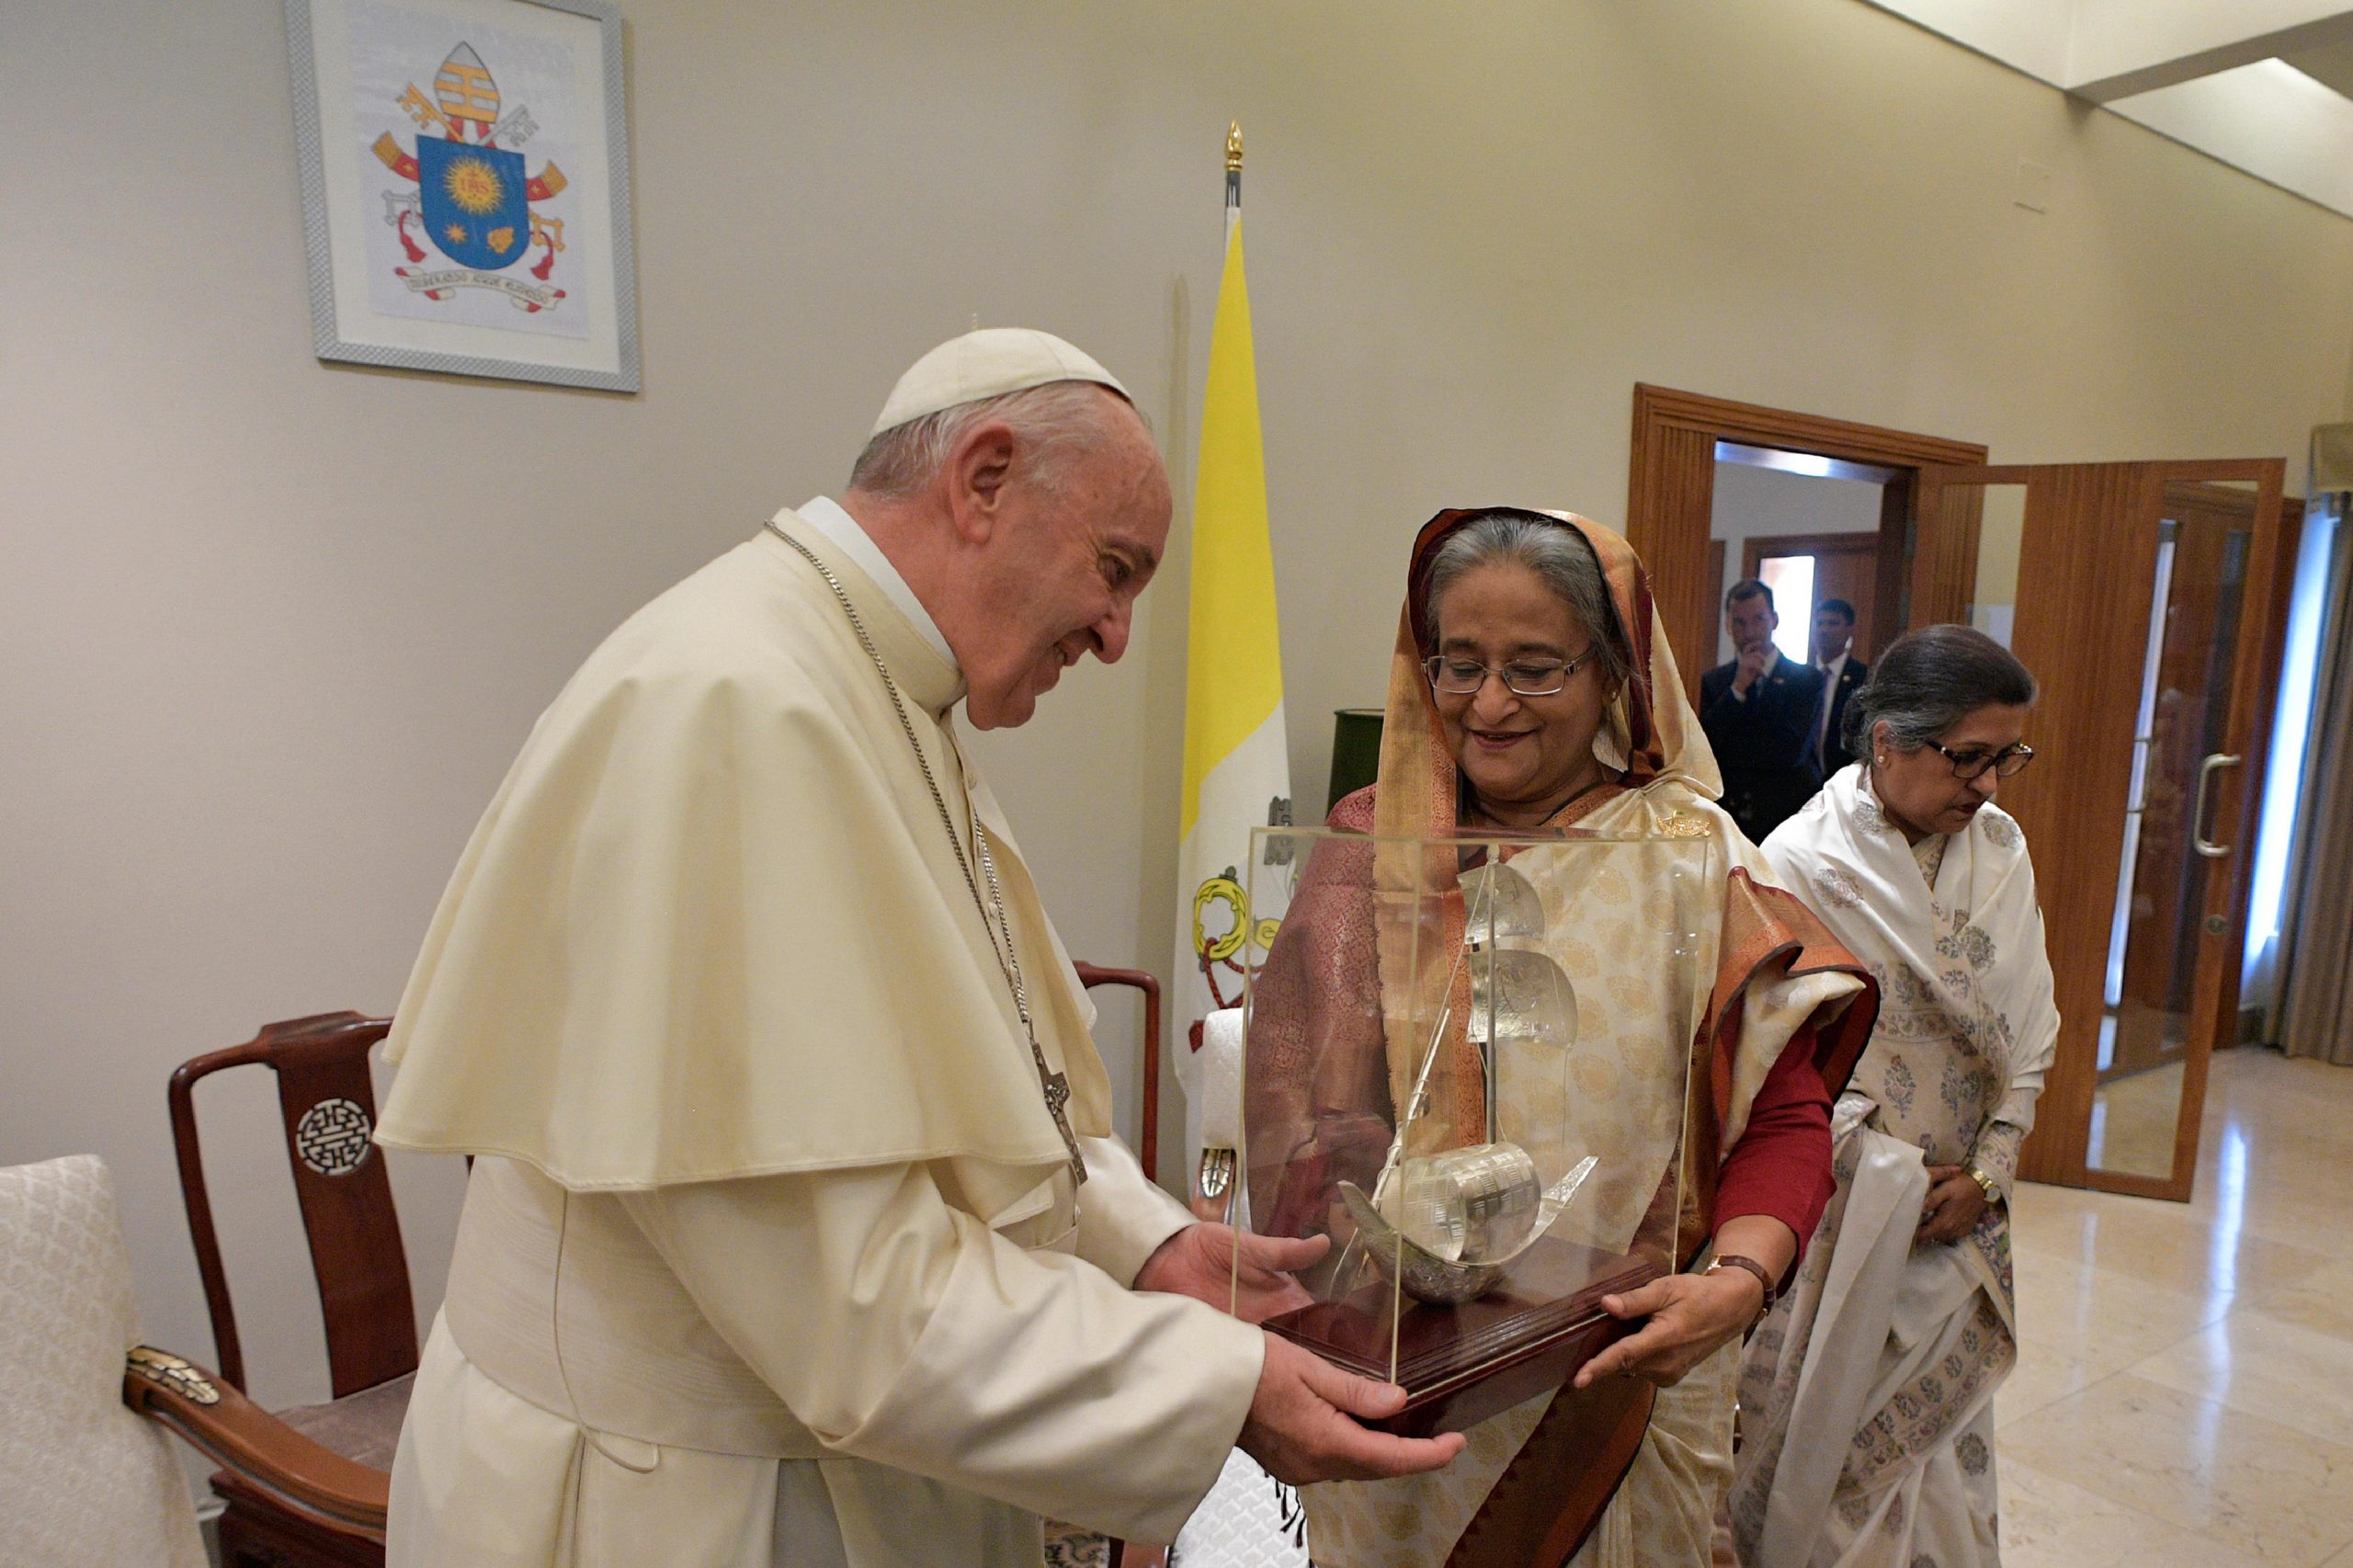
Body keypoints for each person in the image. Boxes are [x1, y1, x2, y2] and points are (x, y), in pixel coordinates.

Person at [371, 328, 1461, 1568]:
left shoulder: (878, 689)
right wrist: (1217, 1381)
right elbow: (847, 1295)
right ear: (984, 479)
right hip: (685, 1506)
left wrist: (1142, 1242)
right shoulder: (739, 707)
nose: (1114, 635)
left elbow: (992, 1072)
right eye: (1115, 570)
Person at [1243, 508, 1879, 1567]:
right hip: (1401, 1389)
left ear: (1613, 674)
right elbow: (1306, 1114)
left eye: (1535, 668)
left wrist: (1737, 1279)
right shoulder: (1372, 849)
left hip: (1611, 1385)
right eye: (1460, 663)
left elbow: (1783, 1108)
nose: (1487, 704)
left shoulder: (1685, 857)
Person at [1729, 625, 2058, 1568]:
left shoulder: (2000, 848)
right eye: (1967, 758)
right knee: (1826, 1458)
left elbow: (2031, 1022)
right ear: (1887, 742)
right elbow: (1773, 1066)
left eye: (2008, 758)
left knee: (1946, 1459)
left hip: (1962, 1212)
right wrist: (1890, 1176)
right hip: (1844, 1210)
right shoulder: (1798, 862)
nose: (1988, 784)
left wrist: (1991, 1169)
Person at [1701, 579, 1826, 842]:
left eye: (1759, 620)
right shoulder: (1715, 682)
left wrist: (1736, 749)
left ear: (1775, 620)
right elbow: (1707, 748)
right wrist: (1737, 690)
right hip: (1731, 816)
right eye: (1739, 622)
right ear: (1728, 626)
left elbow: (1790, 751)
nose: (1750, 632)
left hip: (1789, 816)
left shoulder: (1807, 680)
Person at [1811, 597, 1870, 777]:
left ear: (1850, 630)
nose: (1824, 630)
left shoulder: (1863, 677)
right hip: (1800, 781)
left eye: (1833, 624)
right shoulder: (1801, 677)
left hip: (1843, 774)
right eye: (1820, 623)